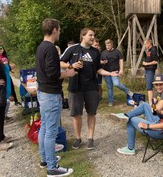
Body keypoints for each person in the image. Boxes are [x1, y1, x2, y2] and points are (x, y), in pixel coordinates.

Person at [60, 28, 119, 150]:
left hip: (91, 87)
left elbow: (98, 69)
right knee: (76, 114)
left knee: (91, 113)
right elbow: (60, 62)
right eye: (90, 35)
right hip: (75, 88)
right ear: (83, 36)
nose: (93, 37)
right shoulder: (73, 49)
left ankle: (90, 138)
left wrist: (109, 73)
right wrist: (71, 65)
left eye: (94, 35)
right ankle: (78, 138)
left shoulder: (95, 52)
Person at [36, 18, 76, 177]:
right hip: (51, 95)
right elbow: (53, 74)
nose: (59, 32)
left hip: (43, 93)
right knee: (50, 131)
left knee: (45, 127)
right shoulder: (51, 49)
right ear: (54, 30)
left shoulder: (40, 47)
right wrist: (68, 73)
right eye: (58, 30)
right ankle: (52, 168)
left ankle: (45, 159)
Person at [114, 78, 163, 155]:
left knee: (131, 120)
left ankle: (130, 148)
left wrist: (147, 126)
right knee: (144, 105)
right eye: (156, 85)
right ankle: (126, 115)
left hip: (161, 131)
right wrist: (159, 111)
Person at [100, 39, 134, 106]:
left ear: (112, 45)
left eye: (109, 45)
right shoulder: (103, 53)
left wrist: (121, 69)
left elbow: (121, 60)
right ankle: (111, 101)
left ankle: (129, 92)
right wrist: (103, 62)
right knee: (109, 87)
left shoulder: (117, 52)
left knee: (116, 84)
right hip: (106, 72)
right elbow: (100, 61)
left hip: (115, 72)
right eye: (106, 45)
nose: (108, 47)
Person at [142, 38, 159, 105]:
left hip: (150, 70)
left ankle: (150, 103)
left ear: (149, 43)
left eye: (145, 44)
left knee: (149, 87)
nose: (145, 45)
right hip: (147, 70)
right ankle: (153, 101)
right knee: (150, 86)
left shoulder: (153, 50)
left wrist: (147, 64)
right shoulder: (148, 50)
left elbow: (155, 61)